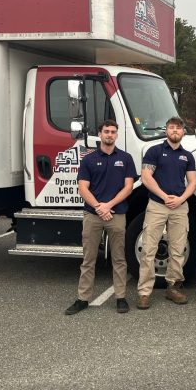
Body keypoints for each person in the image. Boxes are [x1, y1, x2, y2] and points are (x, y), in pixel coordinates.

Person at [66, 120, 136, 315]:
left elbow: (128, 187)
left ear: (117, 135)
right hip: (93, 215)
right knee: (88, 259)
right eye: (106, 131)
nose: (110, 135)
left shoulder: (126, 158)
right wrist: (98, 207)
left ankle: (121, 297)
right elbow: (83, 188)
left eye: (113, 132)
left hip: (116, 214)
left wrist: (108, 205)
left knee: (119, 258)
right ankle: (83, 299)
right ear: (100, 134)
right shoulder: (88, 159)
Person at [136, 116, 196, 309]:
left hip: (179, 206)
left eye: (178, 128)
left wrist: (180, 199)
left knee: (178, 250)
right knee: (148, 249)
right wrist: (164, 196)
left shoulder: (187, 156)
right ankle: (145, 292)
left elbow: (193, 182)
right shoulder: (154, 151)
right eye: (172, 128)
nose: (175, 131)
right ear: (166, 130)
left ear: (183, 132)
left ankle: (173, 287)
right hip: (157, 205)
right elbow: (146, 177)